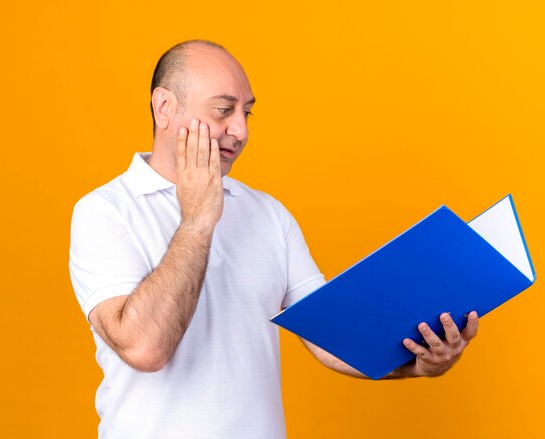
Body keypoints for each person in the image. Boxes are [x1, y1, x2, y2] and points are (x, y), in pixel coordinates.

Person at [69, 40, 479, 438]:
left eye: (247, 112)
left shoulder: (268, 214)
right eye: (223, 110)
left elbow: (332, 339)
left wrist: (419, 364)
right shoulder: (105, 211)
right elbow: (144, 349)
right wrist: (197, 220)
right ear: (164, 108)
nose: (240, 130)